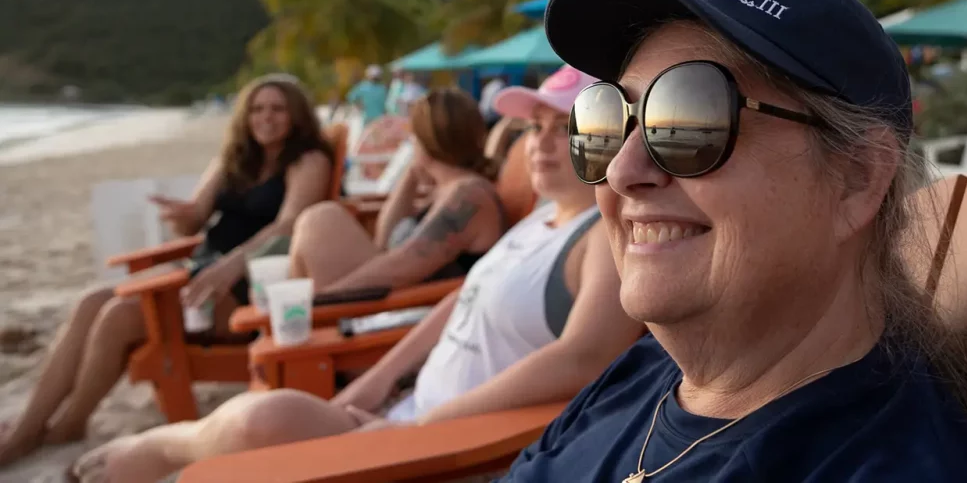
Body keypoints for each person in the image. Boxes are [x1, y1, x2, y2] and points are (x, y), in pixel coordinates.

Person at [497, 0, 967, 481]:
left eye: (690, 119)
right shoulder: (646, 370)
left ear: (856, 178)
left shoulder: (875, 467)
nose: (622, 170)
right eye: (607, 120)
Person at [69, 66, 647, 483]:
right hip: (407, 413)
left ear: (613, 136)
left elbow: (583, 360)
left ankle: (156, 448)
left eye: (565, 126)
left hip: (457, 447)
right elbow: (458, 300)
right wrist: (377, 386)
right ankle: (155, 448)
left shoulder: (602, 236)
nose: (540, 144)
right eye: (535, 128)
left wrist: (423, 426)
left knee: (263, 421)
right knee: (268, 420)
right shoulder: (543, 218)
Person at [0, 74, 333, 466]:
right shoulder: (234, 160)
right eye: (257, 109)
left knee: (121, 315)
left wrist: (230, 265)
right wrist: (184, 215)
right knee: (92, 301)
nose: (266, 118)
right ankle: (29, 426)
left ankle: (71, 423)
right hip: (204, 276)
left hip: (250, 286)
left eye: (278, 109)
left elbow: (288, 224)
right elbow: (192, 223)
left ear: (296, 115)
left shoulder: (307, 160)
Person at [285, 87, 506, 292]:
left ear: (424, 140)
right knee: (320, 218)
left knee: (321, 218)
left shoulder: (468, 195)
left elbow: (403, 266)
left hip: (414, 309)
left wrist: (321, 299)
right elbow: (384, 239)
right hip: (395, 297)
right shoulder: (445, 190)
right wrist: (411, 174)